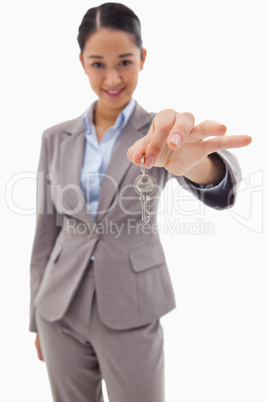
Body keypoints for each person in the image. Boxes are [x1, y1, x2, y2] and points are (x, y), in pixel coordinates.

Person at [29, 3, 252, 402]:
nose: (112, 77)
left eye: (125, 62)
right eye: (98, 63)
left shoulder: (158, 134)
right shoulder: (54, 138)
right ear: (81, 63)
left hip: (131, 306)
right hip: (58, 309)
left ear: (143, 59)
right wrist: (35, 320)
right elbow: (45, 237)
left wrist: (199, 163)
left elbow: (218, 185)